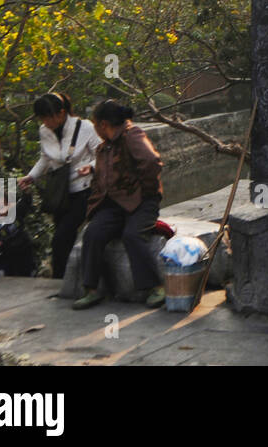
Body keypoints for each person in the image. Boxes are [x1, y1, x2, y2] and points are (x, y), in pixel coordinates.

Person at [73, 100, 165, 310]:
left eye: (96, 125)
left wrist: (147, 194)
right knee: (93, 232)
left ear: (103, 124)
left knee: (132, 235)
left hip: (143, 202)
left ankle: (155, 287)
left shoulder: (132, 135)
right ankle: (92, 289)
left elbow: (151, 162)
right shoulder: (105, 146)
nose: (96, 129)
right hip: (115, 204)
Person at [18, 92, 99, 280]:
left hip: (83, 190)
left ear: (61, 113)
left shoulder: (85, 127)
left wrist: (91, 167)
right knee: (62, 239)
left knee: (61, 238)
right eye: (42, 118)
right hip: (60, 193)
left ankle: (60, 281)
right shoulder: (44, 131)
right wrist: (31, 176)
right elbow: (45, 158)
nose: (45, 122)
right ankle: (66, 280)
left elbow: (102, 154)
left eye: (48, 117)